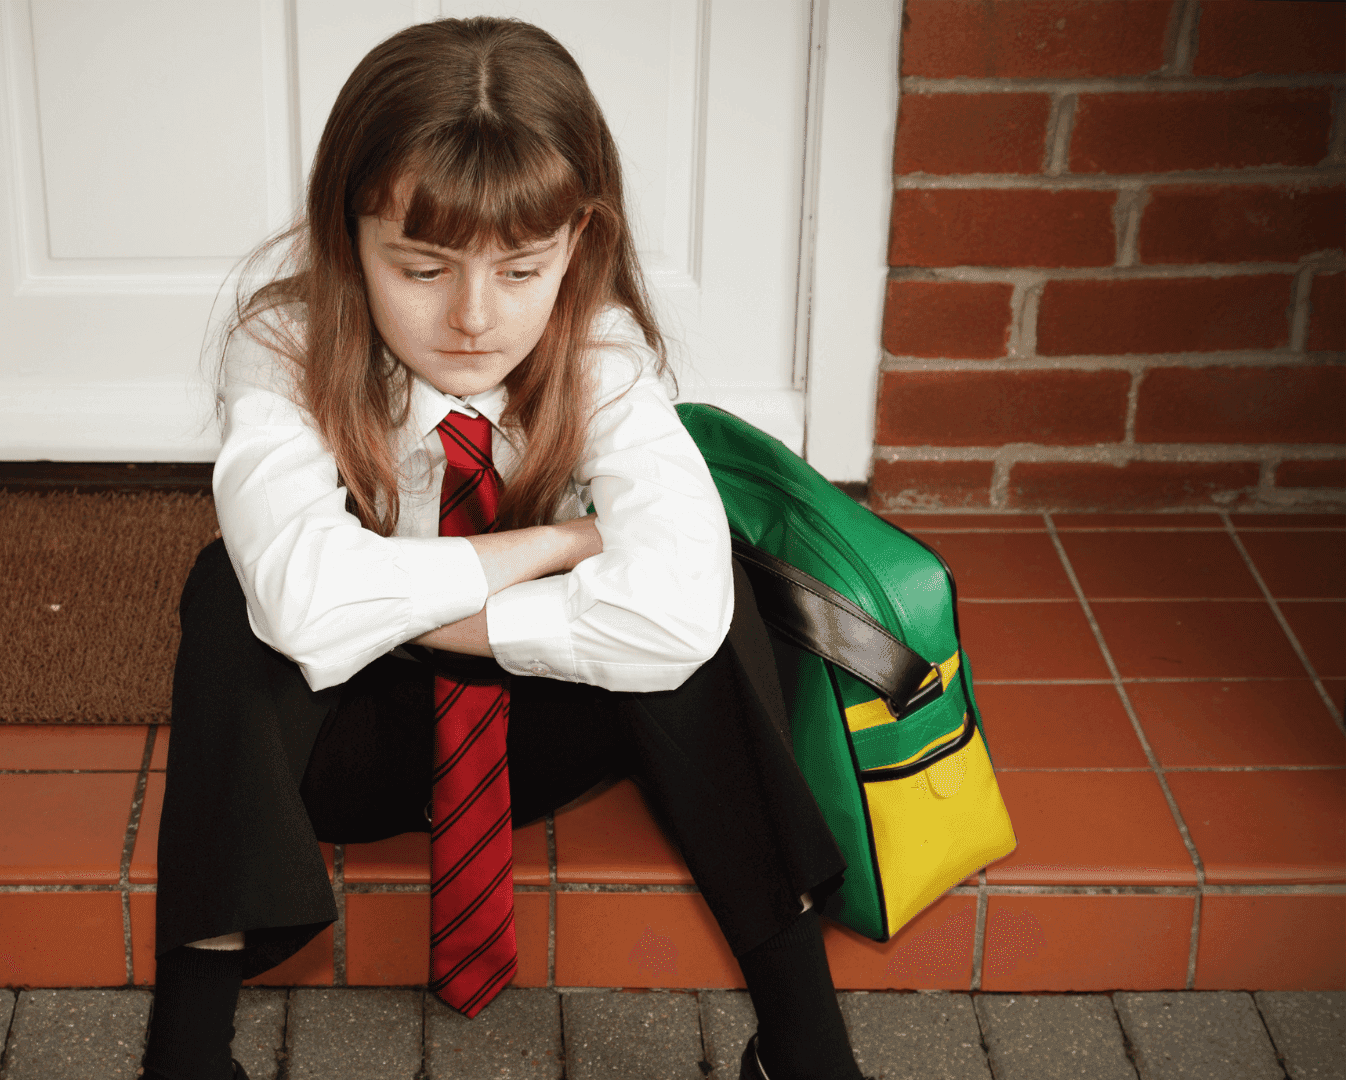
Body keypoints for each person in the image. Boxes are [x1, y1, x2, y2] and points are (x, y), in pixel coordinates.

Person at [143, 17, 866, 1080]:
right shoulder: (284, 348)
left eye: (522, 268)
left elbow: (671, 613)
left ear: (582, 243)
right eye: (422, 267)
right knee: (230, 597)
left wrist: (411, 603)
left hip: (540, 732)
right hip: (354, 747)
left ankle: (806, 1054)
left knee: (711, 610)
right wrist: (557, 543)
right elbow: (300, 608)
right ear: (348, 240)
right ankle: (187, 1057)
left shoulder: (602, 354)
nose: (474, 319)